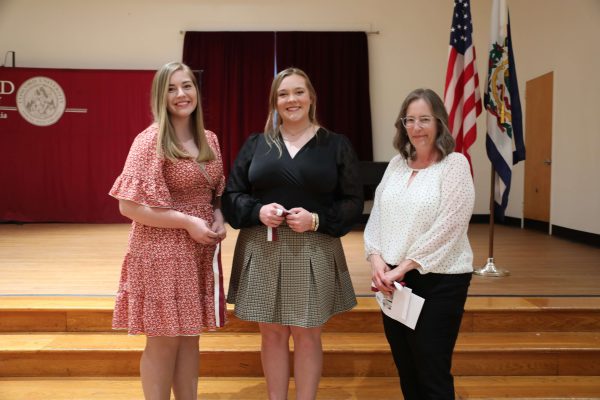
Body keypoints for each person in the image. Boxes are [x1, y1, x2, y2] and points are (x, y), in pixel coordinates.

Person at [222, 67, 363, 400]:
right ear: (275, 102)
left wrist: (316, 219)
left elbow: (353, 201)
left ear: (311, 97)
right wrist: (257, 211)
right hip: (263, 245)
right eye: (283, 94)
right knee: (271, 333)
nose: (291, 100)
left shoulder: (335, 144)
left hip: (313, 247)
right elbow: (231, 194)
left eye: (298, 92)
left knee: (307, 331)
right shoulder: (257, 143)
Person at [109, 61, 226, 400]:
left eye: (187, 86)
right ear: (161, 95)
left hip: (196, 250)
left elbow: (214, 195)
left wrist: (218, 217)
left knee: (190, 338)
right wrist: (186, 222)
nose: (181, 94)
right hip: (159, 250)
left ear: (196, 91)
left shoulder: (210, 140)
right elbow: (127, 206)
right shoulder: (149, 141)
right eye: (172, 88)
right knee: (163, 340)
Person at [364, 88, 475, 400]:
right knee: (407, 368)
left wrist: (403, 266)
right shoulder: (397, 166)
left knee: (431, 370)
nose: (416, 127)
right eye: (409, 120)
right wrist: (376, 259)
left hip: (439, 280)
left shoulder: (455, 165)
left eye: (424, 119)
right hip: (394, 284)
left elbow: (449, 226)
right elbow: (378, 217)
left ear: (439, 122)